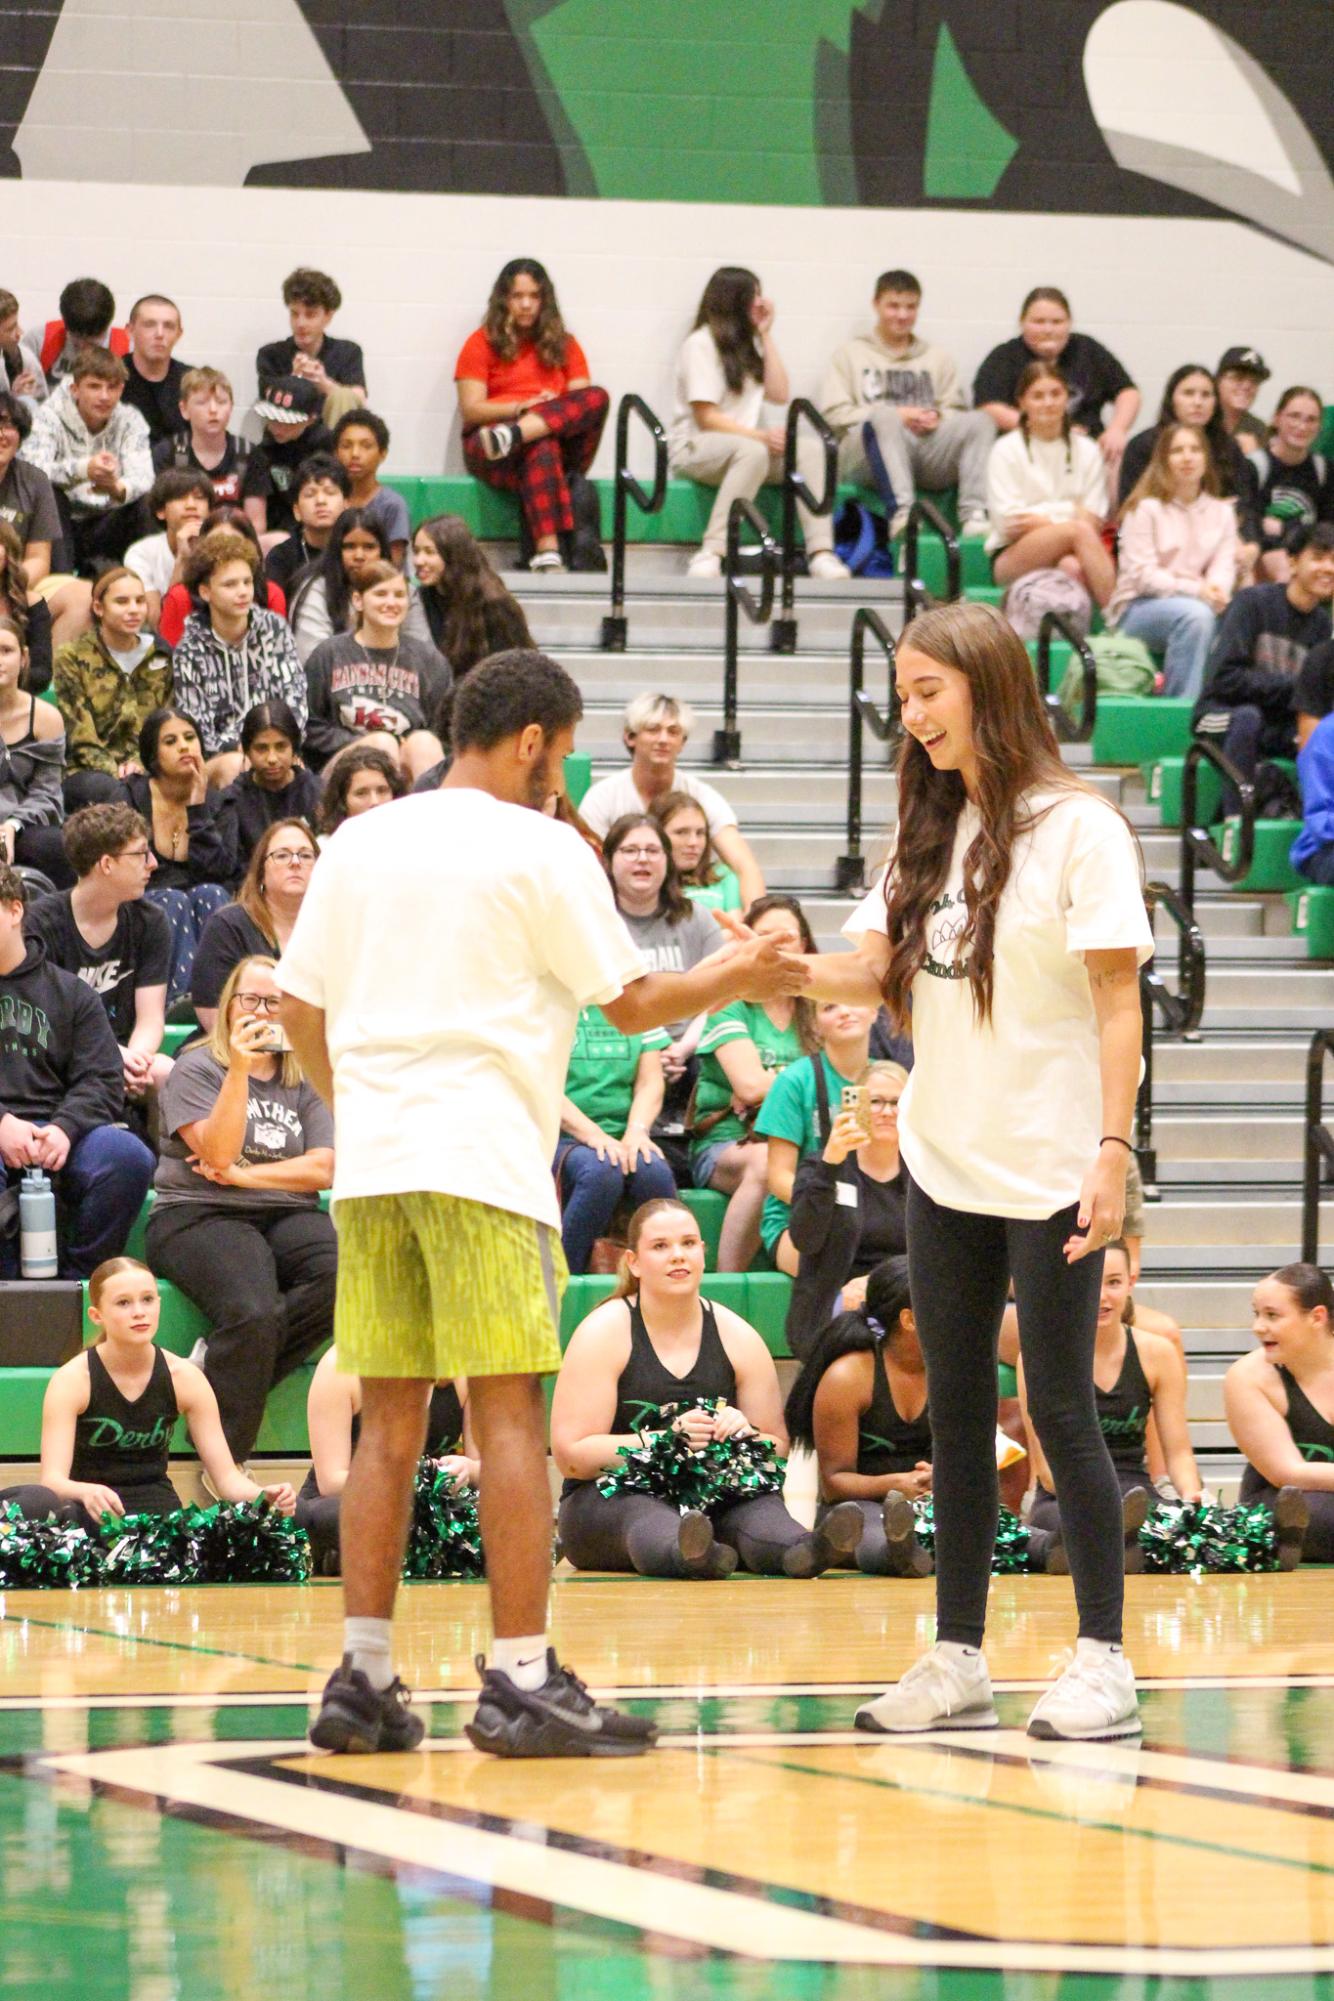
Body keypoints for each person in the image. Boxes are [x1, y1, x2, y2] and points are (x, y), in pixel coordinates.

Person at [274, 647, 808, 1759]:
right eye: (561, 757)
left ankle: (362, 1678)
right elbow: (630, 1004)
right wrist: (738, 976)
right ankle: (519, 1677)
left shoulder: (359, 840)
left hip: (375, 1171)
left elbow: (300, 1008)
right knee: (507, 1413)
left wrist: (363, 1106)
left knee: (391, 1419)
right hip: (480, 1161)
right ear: (531, 741)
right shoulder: (540, 846)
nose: (562, 779)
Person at [798, 598, 1153, 1741]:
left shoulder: (1078, 829)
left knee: (1056, 1406)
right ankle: (957, 1656)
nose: (908, 718)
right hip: (946, 1169)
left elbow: (1114, 1004)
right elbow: (863, 976)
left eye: (925, 694)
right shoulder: (930, 829)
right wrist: (761, 970)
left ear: (985, 689)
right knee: (957, 1416)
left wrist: (1112, 1150)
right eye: (901, 696)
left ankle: (1101, 1658)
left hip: (1055, 1164)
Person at [553, 1196, 864, 1579]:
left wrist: (744, 1434)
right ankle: (691, 1553)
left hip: (712, 1494)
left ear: (703, 1253)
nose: (677, 1256)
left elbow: (778, 1448)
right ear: (633, 1262)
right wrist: (664, 1441)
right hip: (608, 1499)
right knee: (647, 1515)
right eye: (660, 1247)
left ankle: (809, 1549)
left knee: (760, 1510)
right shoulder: (604, 1332)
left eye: (687, 1244)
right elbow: (571, 1455)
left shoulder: (738, 1336)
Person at [146, 955, 337, 1464]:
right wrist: (241, 1071)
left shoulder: (306, 1076)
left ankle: (218, 1368)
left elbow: (323, 1169)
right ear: (229, 1006)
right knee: (254, 1312)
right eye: (248, 999)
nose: (260, 1011)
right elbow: (217, 1154)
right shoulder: (196, 1066)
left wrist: (247, 1177)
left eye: (273, 1001)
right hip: (198, 1212)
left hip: (284, 1210)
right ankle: (224, 1462)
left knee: (346, 1273)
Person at [783, 1256, 1049, 1577]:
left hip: (935, 1500)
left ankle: (1057, 1548)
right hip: (863, 1507)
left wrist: (944, 1477)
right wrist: (898, 1484)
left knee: (1004, 1529)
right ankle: (900, 1553)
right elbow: (835, 1483)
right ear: (910, 1319)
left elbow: (971, 1459)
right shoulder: (849, 1377)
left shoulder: (959, 1368)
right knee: (872, 1530)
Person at [0, 1256, 295, 1529]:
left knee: (303, 1515)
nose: (139, 1312)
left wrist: (263, 1495)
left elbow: (228, 1480)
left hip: (158, 1520)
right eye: (123, 1303)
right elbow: (52, 1481)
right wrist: (85, 1490)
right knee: (35, 1502)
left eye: (148, 1299)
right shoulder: (73, 1380)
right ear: (96, 1315)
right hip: (89, 1518)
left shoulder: (186, 1377)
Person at [0, 864, 154, 1278]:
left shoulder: (71, 993)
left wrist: (66, 1128)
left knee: (128, 1158)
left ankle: (78, 1283)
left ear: (15, 910)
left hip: (61, 1128)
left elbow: (102, 1079)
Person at [1021, 1238, 1201, 1564]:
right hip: (1064, 1496)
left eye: (1114, 1283)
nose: (1101, 1296)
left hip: (1136, 1492)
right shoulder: (1039, 1357)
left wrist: (1191, 1496)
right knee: (1069, 1526)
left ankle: (1125, 1544)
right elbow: (1047, 1471)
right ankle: (1122, 1546)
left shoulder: (1158, 1353)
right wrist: (1104, 1505)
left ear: (1131, 1283)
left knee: (1182, 1528)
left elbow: (1179, 1452)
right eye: (1091, 1282)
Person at [669, 266, 848, 582]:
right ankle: (712, 551)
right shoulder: (700, 343)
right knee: (754, 452)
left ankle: (821, 553)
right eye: (754, 296)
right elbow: (705, 417)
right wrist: (760, 436)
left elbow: (780, 393)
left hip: (747, 448)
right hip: (697, 447)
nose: (761, 302)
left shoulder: (751, 343)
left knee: (810, 451)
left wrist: (766, 333)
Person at [455, 258, 609, 575]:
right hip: (490, 445)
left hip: (555, 443)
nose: (526, 305)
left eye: (534, 296)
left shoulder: (566, 344)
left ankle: (520, 433)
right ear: (504, 300)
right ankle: (547, 551)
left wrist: (546, 410)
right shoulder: (480, 342)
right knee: (541, 443)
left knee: (598, 397)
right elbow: (472, 409)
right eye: (517, 296)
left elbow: (581, 402)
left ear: (545, 300)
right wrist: (520, 409)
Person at [689, 895, 818, 1271]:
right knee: (767, 1163)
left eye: (787, 937)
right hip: (730, 1143)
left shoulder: (819, 1006)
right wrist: (804, 1085)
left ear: (806, 945)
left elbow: (845, 1079)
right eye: (765, 936)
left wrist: (775, 1083)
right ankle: (728, 1284)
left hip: (807, 1143)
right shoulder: (729, 1003)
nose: (777, 946)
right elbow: (748, 1087)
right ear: (745, 945)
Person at [819, 268, 994, 538]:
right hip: (866, 457)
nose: (902, 315)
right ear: (876, 305)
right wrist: (897, 415)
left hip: (923, 449)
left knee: (981, 420)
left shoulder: (937, 357)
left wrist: (935, 417)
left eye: (910, 307)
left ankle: (974, 515)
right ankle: (902, 513)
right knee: (885, 416)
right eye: (893, 306)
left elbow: (955, 409)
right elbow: (834, 414)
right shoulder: (850, 355)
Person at [24, 805, 173, 1111]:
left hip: (125, 1056)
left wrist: (135, 1060)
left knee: (166, 1072)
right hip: (59, 1057)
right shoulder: (40, 924)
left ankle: (170, 1160)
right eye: (141, 854)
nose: (153, 864)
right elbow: (45, 1024)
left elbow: (151, 1017)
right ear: (106, 864)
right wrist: (111, 1057)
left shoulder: (151, 921)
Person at [1194, 524, 1334, 809]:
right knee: (1248, 718)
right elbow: (1224, 678)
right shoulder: (1253, 603)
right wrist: (1296, 687)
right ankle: (1236, 825)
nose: (1328, 568)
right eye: (1319, 557)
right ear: (1293, 562)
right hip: (1220, 714)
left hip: (1276, 725)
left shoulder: (1323, 626)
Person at [578, 692, 765, 905]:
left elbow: (744, 865)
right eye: (653, 729)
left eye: (673, 732)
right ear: (630, 737)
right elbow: (588, 871)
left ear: (683, 742)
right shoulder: (602, 799)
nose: (663, 739)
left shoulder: (702, 796)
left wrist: (756, 923)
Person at [298, 1354, 474, 1573]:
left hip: (432, 1505)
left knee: (500, 1517)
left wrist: (467, 1467)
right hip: (350, 1499)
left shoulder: (462, 1370)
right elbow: (330, 1482)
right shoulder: (339, 1365)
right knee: (372, 1515)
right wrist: (414, 1479)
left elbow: (486, 1471)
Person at [1107, 425, 1239, 701]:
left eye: (1195, 449)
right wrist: (1198, 591)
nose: (1187, 457)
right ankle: (1181, 709)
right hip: (1139, 607)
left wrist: (1215, 591)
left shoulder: (1223, 512)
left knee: (1240, 614)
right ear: (1163, 460)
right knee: (1196, 616)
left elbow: (1224, 567)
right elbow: (1143, 576)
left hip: (1201, 603)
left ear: (1206, 458)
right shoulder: (1143, 509)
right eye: (1177, 451)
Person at [784, 1060, 908, 1354]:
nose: (887, 1111)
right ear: (856, 1105)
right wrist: (831, 1163)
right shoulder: (821, 1166)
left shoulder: (923, 1174)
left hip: (906, 1295)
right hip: (838, 1303)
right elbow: (805, 1239)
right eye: (875, 1101)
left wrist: (879, 1285)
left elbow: (936, 1254)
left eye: (897, 1102)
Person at [170, 529, 306, 786]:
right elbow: (197, 727)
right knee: (238, 766)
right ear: (206, 592)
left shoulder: (274, 630)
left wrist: (274, 746)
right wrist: (250, 747)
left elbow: (295, 699)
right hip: (221, 758)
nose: (243, 591)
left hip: (276, 745)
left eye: (247, 582)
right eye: (230, 584)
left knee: (296, 770)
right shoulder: (190, 647)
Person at [555, 998, 677, 1275]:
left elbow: (650, 1081)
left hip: (624, 1135)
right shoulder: (546, 1003)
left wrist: (636, 1130)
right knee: (601, 1172)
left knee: (653, 1171)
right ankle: (563, 1279)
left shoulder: (634, 1004)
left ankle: (671, 1279)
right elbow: (543, 1086)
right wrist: (594, 1135)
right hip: (559, 1137)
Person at [755, 1000, 876, 1277]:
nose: (845, 1010)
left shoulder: (890, 1079)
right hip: (801, 1217)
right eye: (830, 1007)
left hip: (875, 1215)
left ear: (873, 1010)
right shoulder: (794, 1081)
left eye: (853, 1001)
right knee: (841, 1263)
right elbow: (778, 1178)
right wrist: (839, 1203)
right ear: (815, 1024)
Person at [123, 707, 236, 1000]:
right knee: (172, 901)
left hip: (200, 901)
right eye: (170, 741)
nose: (184, 746)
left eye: (190, 737)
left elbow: (218, 872)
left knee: (211, 894)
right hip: (143, 904)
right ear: (152, 755)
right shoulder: (129, 796)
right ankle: (177, 1002)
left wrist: (197, 808)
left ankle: (222, 1000)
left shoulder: (219, 802)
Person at [302, 559, 450, 781]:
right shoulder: (329, 654)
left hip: (407, 763)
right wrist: (364, 741)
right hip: (342, 770)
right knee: (382, 744)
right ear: (358, 600)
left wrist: (404, 746)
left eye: (399, 595)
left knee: (424, 743)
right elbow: (309, 726)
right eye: (381, 594)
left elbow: (445, 730)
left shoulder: (429, 660)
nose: (391, 602)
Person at [1226, 1262, 1334, 1565]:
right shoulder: (1248, 1376)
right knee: (1311, 1513)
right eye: (1257, 1314)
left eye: (1272, 1315)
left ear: (1317, 1317)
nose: (1258, 1327)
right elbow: (1287, 1472)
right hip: (1280, 1500)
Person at [973, 287, 1139, 476]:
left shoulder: (1088, 350)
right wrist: (1051, 430)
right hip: (1029, 445)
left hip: (1088, 445)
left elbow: (1128, 391)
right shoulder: (1004, 357)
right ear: (1022, 322)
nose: (1048, 330)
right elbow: (989, 406)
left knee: (1117, 455)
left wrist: (1117, 429)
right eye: (1039, 322)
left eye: (1057, 322)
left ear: (1069, 323)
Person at [985, 361, 1113, 607]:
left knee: (1072, 568)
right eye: (1038, 396)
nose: (1048, 402)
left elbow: (1095, 517)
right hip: (1014, 554)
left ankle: (1077, 642)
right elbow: (1010, 521)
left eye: (1056, 394)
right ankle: (1118, 620)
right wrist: (1070, 514)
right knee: (1078, 530)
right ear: (1022, 402)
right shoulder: (1005, 449)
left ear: (1067, 398)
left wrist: (1045, 521)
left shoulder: (1087, 450)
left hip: (1074, 551)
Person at [20, 347, 153, 573]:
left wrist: (117, 487)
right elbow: (32, 471)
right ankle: (61, 580)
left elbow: (144, 477)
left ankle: (141, 584)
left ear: (121, 389)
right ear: (75, 388)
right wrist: (83, 470)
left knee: (147, 502)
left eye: (112, 387)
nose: (104, 396)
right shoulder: (47, 416)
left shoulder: (130, 419)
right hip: (62, 522)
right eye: (94, 386)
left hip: (107, 519)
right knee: (50, 493)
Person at [54, 567, 174, 811]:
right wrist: (116, 770)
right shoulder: (71, 657)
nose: (133, 609)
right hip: (87, 769)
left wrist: (140, 763)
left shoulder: (159, 656)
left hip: (148, 764)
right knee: (121, 791)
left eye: (140, 601)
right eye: (122, 601)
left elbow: (165, 722)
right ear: (99, 608)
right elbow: (80, 737)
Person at [192, 819, 317, 1033]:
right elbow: (211, 1013)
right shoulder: (228, 925)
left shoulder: (334, 929)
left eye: (306, 855)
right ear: (261, 871)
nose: (295, 862)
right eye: (282, 855)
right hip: (235, 1050)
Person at [290, 507, 432, 664]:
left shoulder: (404, 592)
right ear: (337, 550)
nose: (359, 556)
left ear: (382, 551)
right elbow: (314, 661)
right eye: (349, 546)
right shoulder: (317, 591)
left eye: (369, 547)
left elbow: (423, 656)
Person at [410, 514, 532, 674]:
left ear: (453, 554)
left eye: (429, 552)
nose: (418, 561)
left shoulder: (494, 603)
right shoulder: (422, 597)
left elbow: (516, 666)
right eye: (416, 551)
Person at [157, 505, 287, 649]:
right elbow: (166, 662)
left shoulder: (271, 594)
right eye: (216, 544)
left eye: (235, 544)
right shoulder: (180, 597)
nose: (226, 551)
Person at [0, 612, 67, 882]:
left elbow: (47, 791)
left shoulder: (45, 718)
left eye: (6, 650)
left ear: (24, 657)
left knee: (54, 845)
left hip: (24, 824)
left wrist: (12, 826)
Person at [150, 367, 265, 524]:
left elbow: (256, 525)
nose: (213, 410)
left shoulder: (250, 454)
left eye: (221, 402)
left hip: (233, 541)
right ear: (184, 409)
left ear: (231, 407)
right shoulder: (166, 453)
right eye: (202, 403)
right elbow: (158, 516)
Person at [256, 268, 367, 427]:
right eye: (294, 314)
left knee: (342, 397)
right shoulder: (270, 354)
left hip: (331, 444)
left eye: (310, 315)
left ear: (328, 316)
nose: (300, 323)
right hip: (285, 447)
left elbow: (358, 401)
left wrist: (323, 382)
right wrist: (294, 380)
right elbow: (269, 405)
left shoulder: (348, 352)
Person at [220, 700, 321, 873]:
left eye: (281, 747)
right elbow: (228, 869)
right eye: (261, 748)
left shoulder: (317, 792)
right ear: (247, 751)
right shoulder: (232, 799)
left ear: (294, 748)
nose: (272, 758)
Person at [1249, 388, 1334, 582]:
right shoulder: (1254, 466)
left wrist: (1285, 528)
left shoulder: (1324, 470)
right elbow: (1252, 522)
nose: (1302, 426)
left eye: (1311, 419)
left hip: (1310, 555)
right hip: (1264, 555)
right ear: (1276, 418)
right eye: (1294, 416)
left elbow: (1327, 528)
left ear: (1320, 426)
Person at [248, 377, 334, 541]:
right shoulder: (264, 450)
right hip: (281, 531)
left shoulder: (327, 450)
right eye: (272, 418)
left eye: (286, 421)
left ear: (311, 419)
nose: (276, 426)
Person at [124, 468, 214, 624]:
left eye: (199, 498)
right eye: (180, 498)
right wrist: (182, 559)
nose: (191, 505)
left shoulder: (223, 547)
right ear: (160, 511)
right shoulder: (140, 553)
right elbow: (156, 622)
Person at [264, 453, 350, 598]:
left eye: (330, 493)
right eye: (310, 494)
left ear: (347, 505)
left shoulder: (357, 549)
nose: (321, 501)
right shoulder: (281, 557)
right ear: (297, 511)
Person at [331, 409, 410, 565]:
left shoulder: (392, 505)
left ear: (382, 454)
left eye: (366, 446)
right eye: (346, 446)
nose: (355, 454)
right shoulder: (330, 501)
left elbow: (392, 566)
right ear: (335, 453)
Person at [650, 789, 741, 913]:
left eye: (700, 833)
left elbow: (735, 926)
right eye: (681, 832)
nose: (694, 842)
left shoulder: (723, 875)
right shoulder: (646, 881)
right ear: (656, 835)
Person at [120, 295, 192, 449]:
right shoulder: (108, 379)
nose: (159, 334)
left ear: (179, 334)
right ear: (130, 331)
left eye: (168, 326)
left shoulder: (192, 382)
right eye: (149, 324)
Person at [36, 277, 128, 387]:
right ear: (65, 324)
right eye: (76, 337)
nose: (83, 346)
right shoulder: (41, 340)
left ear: (107, 327)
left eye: (92, 340)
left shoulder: (129, 349)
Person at [0, 517, 51, 694]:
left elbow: (42, 674)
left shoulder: (32, 603)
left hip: (18, 701)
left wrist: (7, 682)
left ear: (8, 552)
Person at [316, 744, 407, 839]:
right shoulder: (328, 846)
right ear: (342, 802)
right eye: (361, 793)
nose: (374, 802)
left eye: (382, 791)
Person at [1215, 346, 1271, 454]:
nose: (1247, 386)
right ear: (1218, 381)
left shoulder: (1259, 430)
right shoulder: (1201, 419)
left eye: (1254, 381)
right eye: (1238, 377)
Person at [0, 288, 47, 409]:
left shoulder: (22, 358)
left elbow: (45, 407)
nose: (20, 333)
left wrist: (24, 399)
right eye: (10, 329)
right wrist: (13, 401)